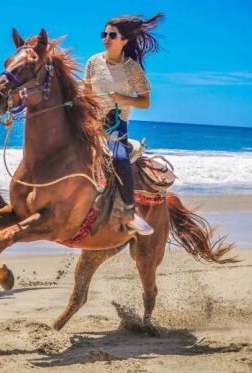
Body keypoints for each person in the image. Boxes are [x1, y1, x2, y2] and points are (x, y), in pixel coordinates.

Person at [84, 14, 164, 235]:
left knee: (119, 157)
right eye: (104, 34)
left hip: (116, 122)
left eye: (112, 35)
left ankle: (129, 211)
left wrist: (124, 99)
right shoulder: (93, 62)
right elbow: (86, 93)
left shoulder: (132, 68)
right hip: (91, 120)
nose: (106, 38)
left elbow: (145, 102)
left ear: (124, 41)